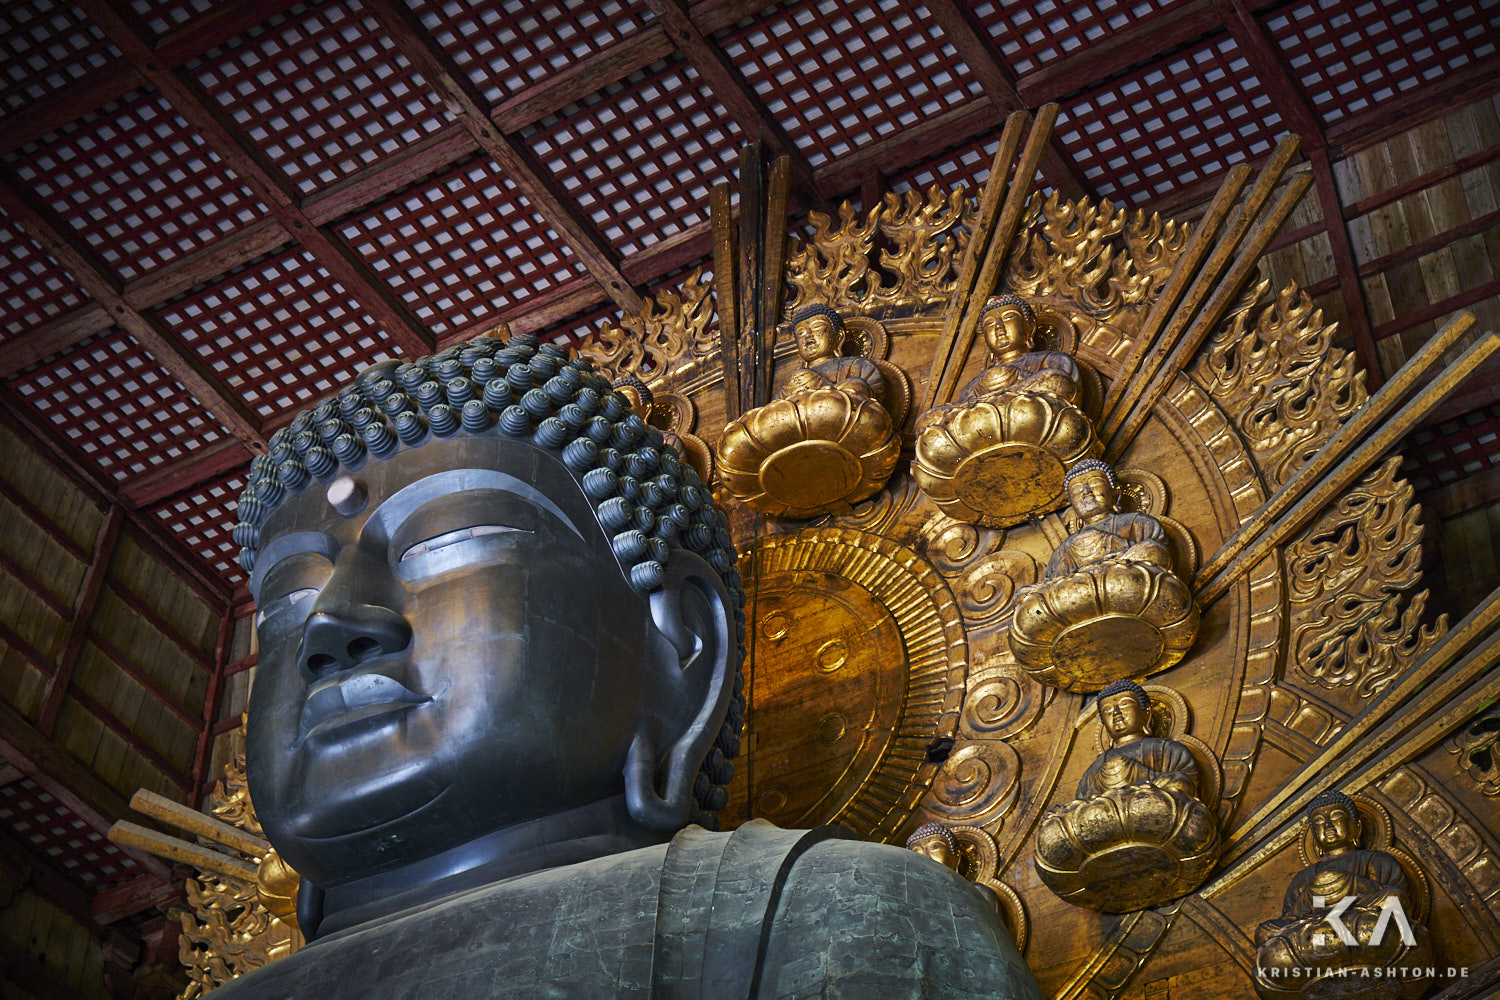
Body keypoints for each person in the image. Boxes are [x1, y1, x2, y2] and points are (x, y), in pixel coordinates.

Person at [213, 333, 1040, 998]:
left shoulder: (836, 916)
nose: (334, 626)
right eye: (287, 603)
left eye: (452, 541)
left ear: (681, 647)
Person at [1034, 680, 1217, 911]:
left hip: (1157, 817)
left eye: (1124, 705)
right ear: (1103, 723)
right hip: (1110, 830)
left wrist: (1153, 784)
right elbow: (1085, 806)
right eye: (1108, 711)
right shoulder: (1096, 767)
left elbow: (1185, 784)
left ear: (1146, 714)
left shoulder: (1166, 749)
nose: (1117, 714)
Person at [1253, 791, 1432, 997]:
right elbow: (1289, 922)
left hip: (1366, 929)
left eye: (1336, 817)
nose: (1328, 825)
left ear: (1357, 827)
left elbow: (1399, 904)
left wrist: (1352, 884)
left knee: (1393, 899)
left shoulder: (1376, 861)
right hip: (1319, 936)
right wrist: (1312, 895)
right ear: (1314, 837)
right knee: (1265, 931)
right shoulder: (1304, 878)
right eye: (1319, 822)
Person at [776, 303, 886, 402]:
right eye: (801, 333)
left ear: (838, 337)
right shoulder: (795, 379)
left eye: (817, 327)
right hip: (798, 421)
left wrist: (826, 388)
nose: (808, 335)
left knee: (855, 384)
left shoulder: (860, 366)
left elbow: (874, 401)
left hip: (842, 417)